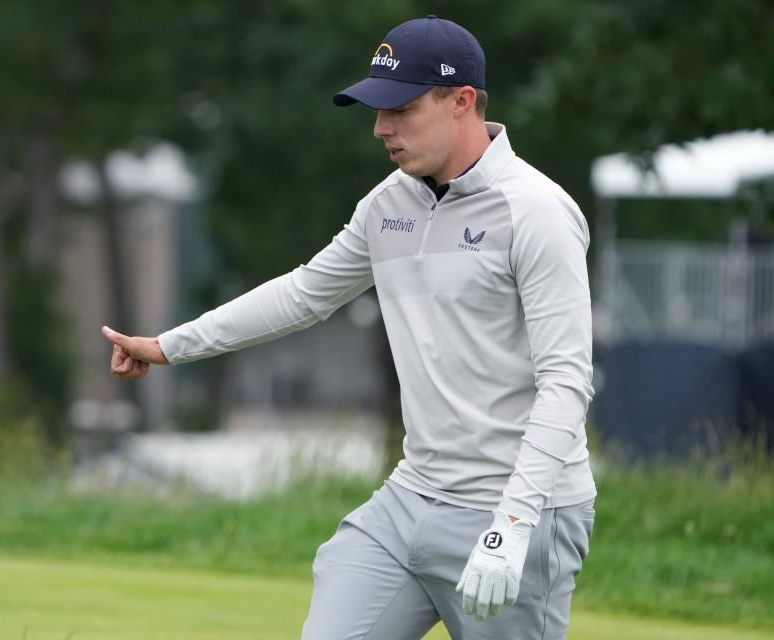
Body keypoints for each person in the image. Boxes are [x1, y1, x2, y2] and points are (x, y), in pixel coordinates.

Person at [101, 15, 596, 640]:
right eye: (376, 109)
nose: (380, 127)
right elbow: (306, 293)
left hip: (520, 512)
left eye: (401, 109)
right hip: (413, 496)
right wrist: (171, 346)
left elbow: (565, 384)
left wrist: (513, 526)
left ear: (461, 102)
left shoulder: (537, 212)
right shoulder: (389, 202)